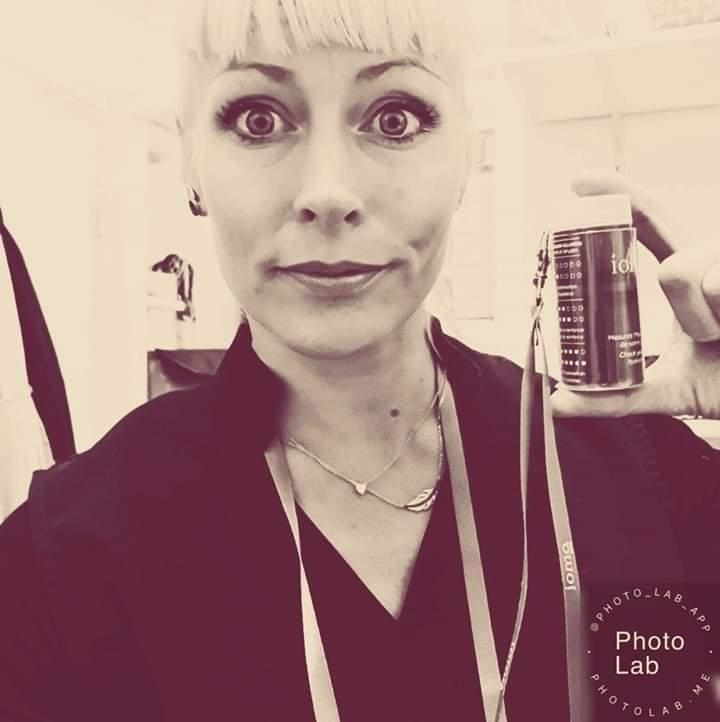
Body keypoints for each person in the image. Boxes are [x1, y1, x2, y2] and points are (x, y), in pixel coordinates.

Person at [1, 1, 719, 720]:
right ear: (191, 166)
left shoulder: (635, 471)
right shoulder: (65, 558)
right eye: (258, 119)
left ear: (465, 160)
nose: (328, 194)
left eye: (395, 118)